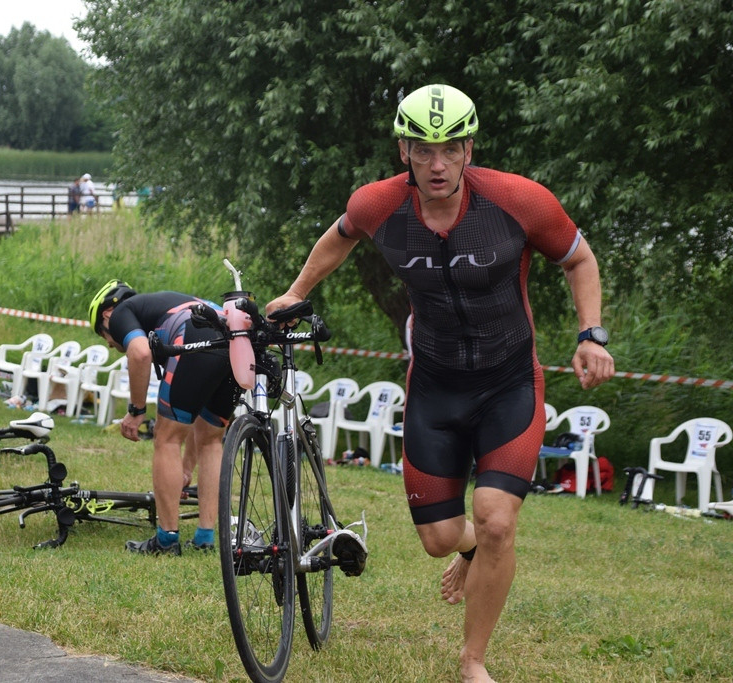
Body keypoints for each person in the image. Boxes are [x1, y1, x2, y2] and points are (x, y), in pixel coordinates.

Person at [265, 84, 615, 683]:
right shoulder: (379, 205)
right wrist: (297, 293)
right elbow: (340, 236)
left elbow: (578, 259)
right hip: (434, 385)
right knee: (438, 539)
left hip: (510, 382)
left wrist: (591, 334)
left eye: (450, 148)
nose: (437, 163)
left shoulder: (517, 201)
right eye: (423, 148)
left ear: (469, 148)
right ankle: (474, 550)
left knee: (498, 518)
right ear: (403, 149)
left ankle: (472, 660)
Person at [89, 280, 241, 555]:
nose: (112, 344)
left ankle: (166, 540)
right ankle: (205, 538)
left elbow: (139, 353)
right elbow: (198, 421)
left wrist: (135, 411)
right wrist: (185, 469)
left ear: (106, 316)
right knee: (211, 440)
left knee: (166, 438)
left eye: (105, 336)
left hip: (195, 334)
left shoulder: (122, 312)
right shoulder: (164, 304)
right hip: (235, 337)